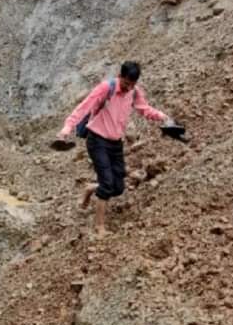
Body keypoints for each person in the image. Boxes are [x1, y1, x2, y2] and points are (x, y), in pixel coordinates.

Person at [57, 61, 173, 238]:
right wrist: (67, 128)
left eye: (132, 84)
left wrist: (162, 116)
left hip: (116, 143)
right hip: (97, 141)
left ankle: (90, 188)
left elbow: (144, 109)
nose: (128, 88)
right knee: (107, 184)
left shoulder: (134, 92)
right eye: (126, 83)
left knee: (118, 188)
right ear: (120, 76)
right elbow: (84, 107)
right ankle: (99, 227)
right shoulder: (106, 88)